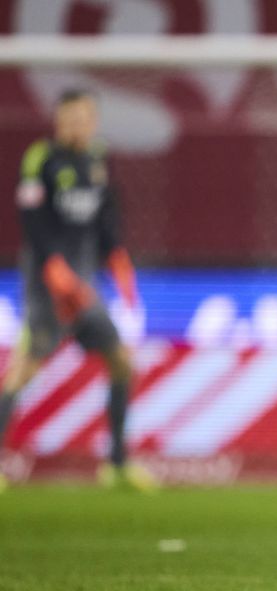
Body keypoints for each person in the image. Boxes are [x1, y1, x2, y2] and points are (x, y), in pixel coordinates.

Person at [0, 88, 155, 493]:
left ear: (94, 121)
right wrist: (53, 267)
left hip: (84, 286)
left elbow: (106, 217)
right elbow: (31, 219)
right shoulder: (41, 159)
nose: (76, 125)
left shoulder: (97, 159)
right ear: (58, 121)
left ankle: (117, 464)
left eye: (83, 118)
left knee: (121, 361)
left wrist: (117, 257)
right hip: (46, 286)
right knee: (23, 369)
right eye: (69, 118)